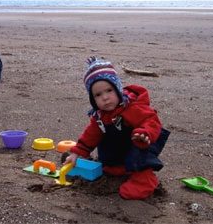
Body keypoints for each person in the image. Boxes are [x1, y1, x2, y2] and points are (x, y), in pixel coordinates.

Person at [64, 56, 170, 199]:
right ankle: (118, 167)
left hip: (141, 141)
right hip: (118, 145)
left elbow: (151, 120)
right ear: (92, 99)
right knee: (104, 140)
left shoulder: (131, 107)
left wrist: (145, 133)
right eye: (98, 94)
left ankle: (144, 181)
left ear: (118, 89)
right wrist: (76, 153)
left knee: (140, 152)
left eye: (109, 90)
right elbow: (91, 135)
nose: (105, 97)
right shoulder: (99, 116)